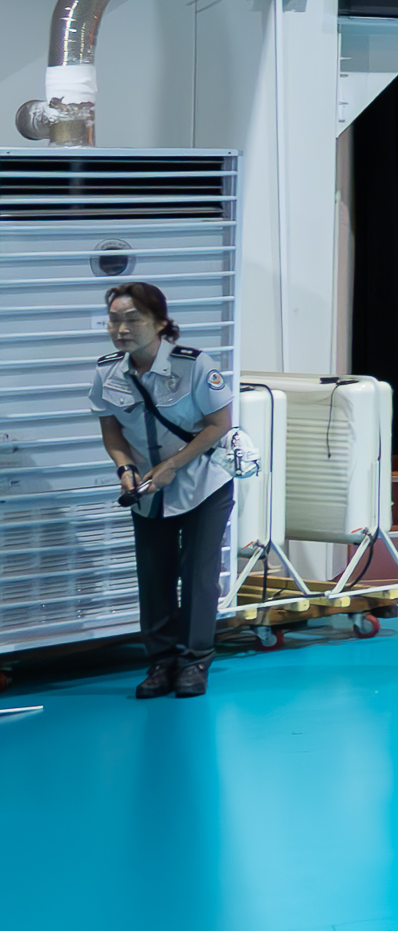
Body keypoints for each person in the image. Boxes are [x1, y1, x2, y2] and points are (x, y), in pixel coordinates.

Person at [90, 279, 234, 699]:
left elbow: (218, 426)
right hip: (149, 489)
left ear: (161, 323)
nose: (121, 329)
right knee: (154, 577)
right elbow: (112, 432)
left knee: (197, 576)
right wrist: (125, 469)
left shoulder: (196, 365)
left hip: (204, 483)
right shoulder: (106, 373)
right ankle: (161, 662)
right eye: (114, 320)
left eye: (132, 319)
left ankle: (194, 661)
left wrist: (171, 466)